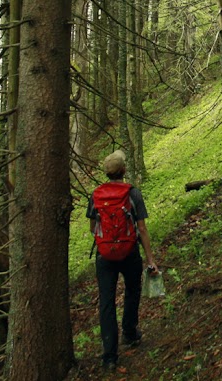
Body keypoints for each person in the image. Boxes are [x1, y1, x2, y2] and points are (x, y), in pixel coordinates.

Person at [87, 150, 158, 371]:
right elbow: (142, 228)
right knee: (132, 290)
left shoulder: (96, 195)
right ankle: (129, 332)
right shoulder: (132, 194)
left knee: (106, 302)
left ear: (107, 173)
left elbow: (92, 228)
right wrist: (151, 259)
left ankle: (109, 356)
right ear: (124, 170)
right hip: (129, 252)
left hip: (105, 256)